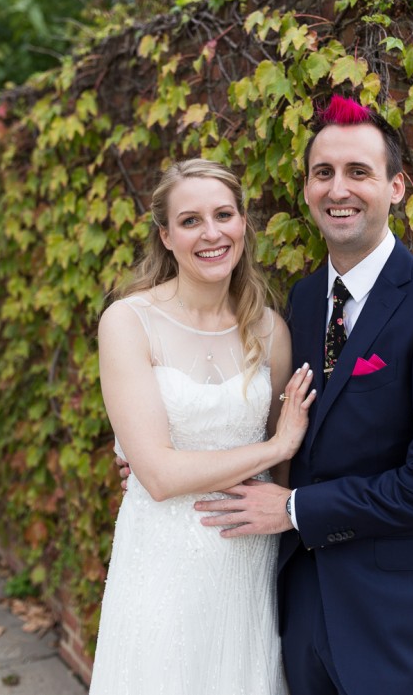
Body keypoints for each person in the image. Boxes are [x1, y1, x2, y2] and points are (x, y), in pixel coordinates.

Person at [194, 96, 413, 695]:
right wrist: (173, 465)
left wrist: (294, 510)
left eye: (359, 172)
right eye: (323, 173)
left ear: (397, 187)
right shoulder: (302, 302)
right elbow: (280, 428)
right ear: (306, 189)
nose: (338, 189)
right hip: (304, 599)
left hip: (398, 614)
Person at [90, 158, 316, 695]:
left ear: (243, 225)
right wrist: (276, 444)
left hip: (246, 557)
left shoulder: (270, 330)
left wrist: (277, 457)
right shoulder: (128, 322)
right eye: (190, 221)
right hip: (162, 559)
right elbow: (161, 475)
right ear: (166, 236)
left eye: (223, 215)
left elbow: (281, 476)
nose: (211, 233)